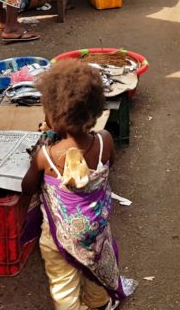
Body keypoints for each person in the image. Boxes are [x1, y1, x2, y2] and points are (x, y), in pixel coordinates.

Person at [22, 60, 132, 310]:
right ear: (94, 113)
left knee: (62, 279)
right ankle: (99, 302)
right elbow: (109, 165)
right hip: (96, 227)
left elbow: (27, 186)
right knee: (96, 264)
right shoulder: (105, 141)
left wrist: (37, 162)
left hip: (59, 234)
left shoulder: (46, 156)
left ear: (52, 116)